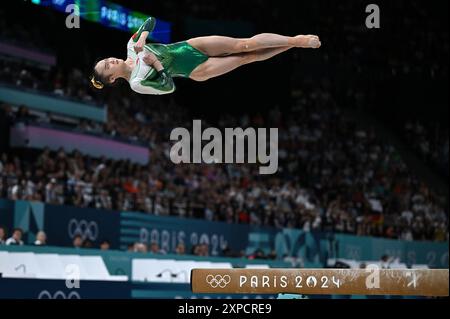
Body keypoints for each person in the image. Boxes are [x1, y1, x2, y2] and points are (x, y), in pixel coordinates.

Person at [91, 16, 321, 95]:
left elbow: (150, 21)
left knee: (243, 45)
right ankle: (293, 46)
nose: (110, 61)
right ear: (112, 78)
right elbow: (168, 87)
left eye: (106, 60)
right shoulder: (137, 83)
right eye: (107, 66)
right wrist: (156, 64)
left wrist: (142, 38)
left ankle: (294, 40)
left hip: (188, 47)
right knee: (246, 59)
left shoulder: (131, 47)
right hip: (194, 71)